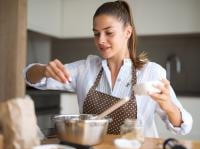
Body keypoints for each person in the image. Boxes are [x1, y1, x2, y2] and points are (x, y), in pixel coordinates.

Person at [24, 0, 192, 136]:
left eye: (108, 32)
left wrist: (168, 105)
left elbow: (184, 127)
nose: (101, 40)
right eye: (96, 33)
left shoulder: (152, 73)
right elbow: (29, 77)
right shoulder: (85, 69)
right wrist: (43, 70)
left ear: (127, 32)